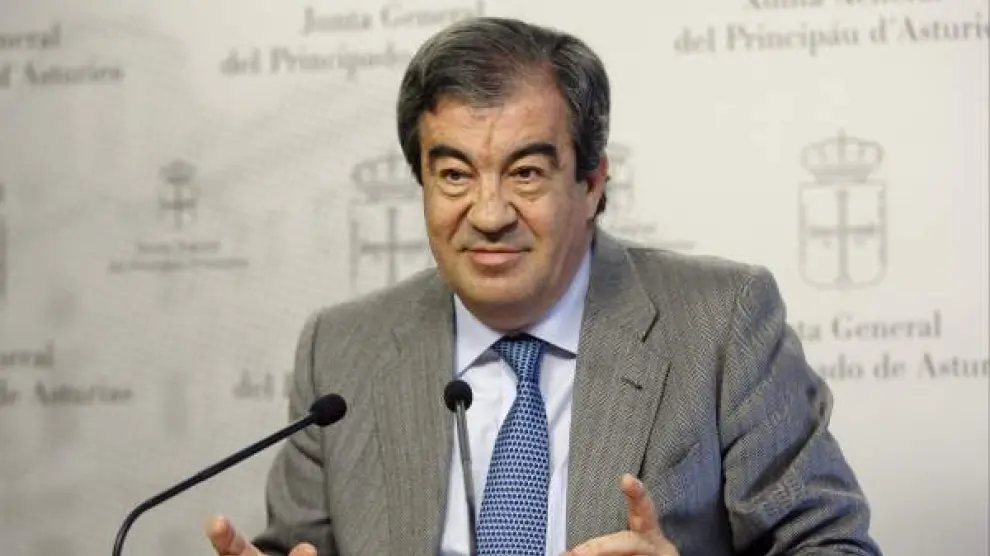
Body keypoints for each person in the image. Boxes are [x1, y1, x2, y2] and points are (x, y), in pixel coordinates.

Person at [205, 16, 882, 556]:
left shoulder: (721, 325)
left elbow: (832, 546)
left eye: (526, 173)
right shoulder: (341, 349)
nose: (489, 213)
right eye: (454, 175)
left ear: (591, 184)